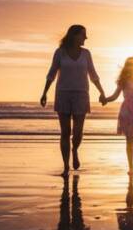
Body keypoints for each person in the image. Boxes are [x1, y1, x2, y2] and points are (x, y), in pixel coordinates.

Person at [41, 25, 107, 176]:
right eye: (83, 35)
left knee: (77, 132)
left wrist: (102, 92)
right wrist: (44, 93)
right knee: (65, 132)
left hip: (81, 94)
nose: (86, 38)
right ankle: (66, 166)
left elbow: (93, 74)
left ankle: (75, 150)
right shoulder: (60, 53)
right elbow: (51, 73)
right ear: (74, 36)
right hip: (63, 94)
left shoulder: (86, 54)